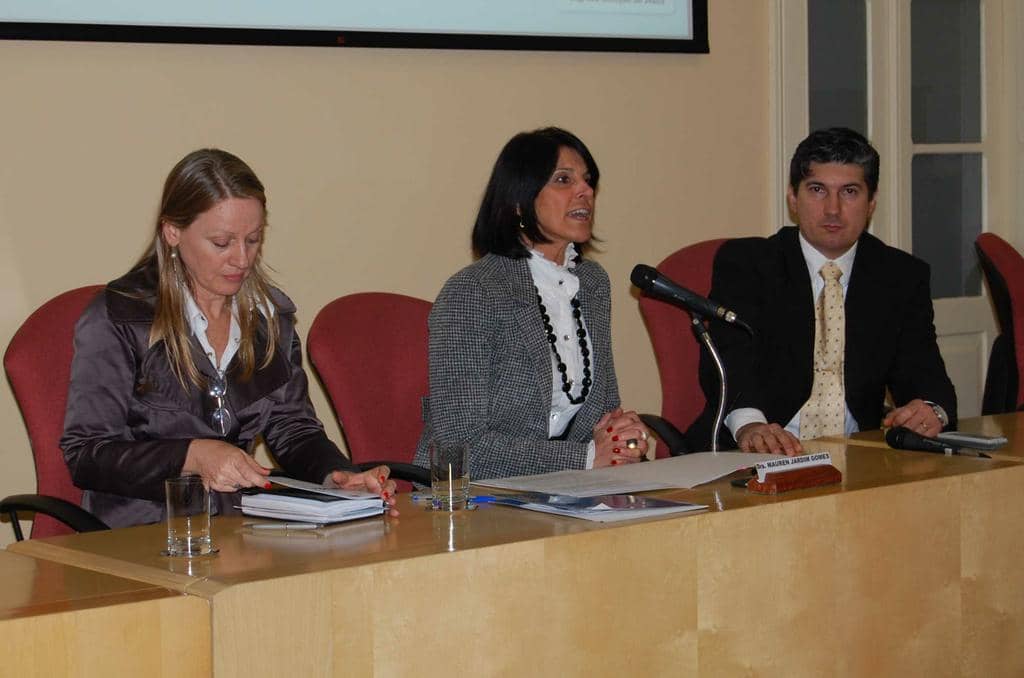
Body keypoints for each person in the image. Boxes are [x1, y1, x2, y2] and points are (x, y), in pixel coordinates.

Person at [61, 149, 397, 528]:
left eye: (253, 240)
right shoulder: (120, 318)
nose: (242, 259)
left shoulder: (268, 319)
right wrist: (191, 455)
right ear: (173, 232)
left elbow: (293, 428)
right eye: (222, 243)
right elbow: (87, 454)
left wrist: (335, 475)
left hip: (238, 530)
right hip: (138, 535)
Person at [690, 127, 957, 455]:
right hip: (757, 454)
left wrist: (931, 410)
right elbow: (730, 359)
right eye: (817, 190)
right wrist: (750, 425)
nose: (833, 209)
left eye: (849, 192)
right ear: (793, 197)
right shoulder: (748, 264)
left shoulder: (900, 275)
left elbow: (925, 372)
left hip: (859, 459)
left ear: (871, 202)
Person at [412, 127, 650, 480]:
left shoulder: (593, 283)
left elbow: (604, 412)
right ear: (519, 201)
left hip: (571, 491)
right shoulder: (473, 292)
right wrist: (584, 457)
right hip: (476, 500)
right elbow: (458, 446)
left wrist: (625, 439)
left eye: (587, 180)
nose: (585, 190)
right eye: (563, 179)